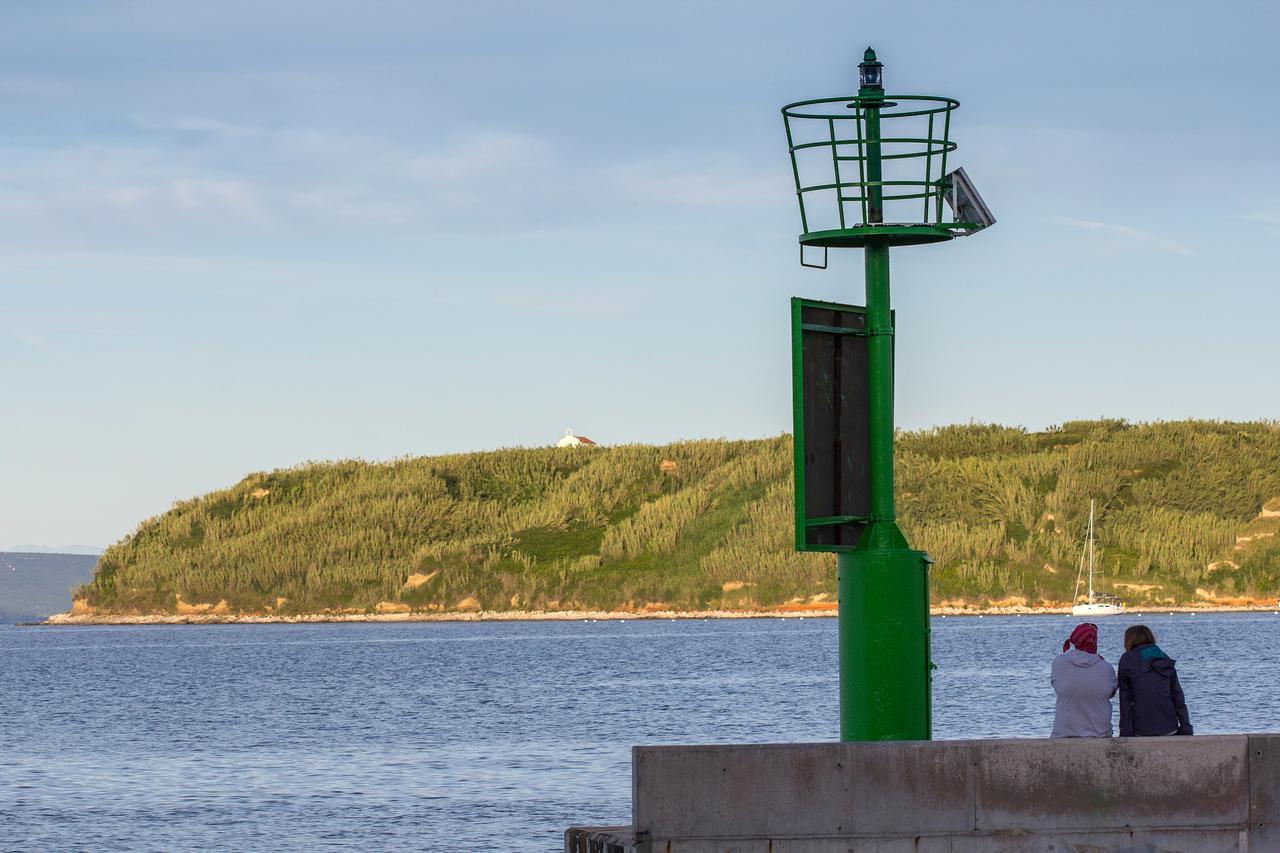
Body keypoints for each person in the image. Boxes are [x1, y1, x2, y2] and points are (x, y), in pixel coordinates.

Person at [1117, 624, 1193, 737]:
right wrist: (1186, 728)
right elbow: (1178, 697)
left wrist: (1126, 733)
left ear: (1129, 640)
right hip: (1170, 728)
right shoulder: (1164, 657)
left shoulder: (1127, 659)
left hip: (1141, 729)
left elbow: (1125, 700)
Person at [1050, 622, 1117, 738]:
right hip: (1099, 734)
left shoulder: (1059, 663)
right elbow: (1110, 693)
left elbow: (1058, 686)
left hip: (1063, 733)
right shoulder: (1106, 668)